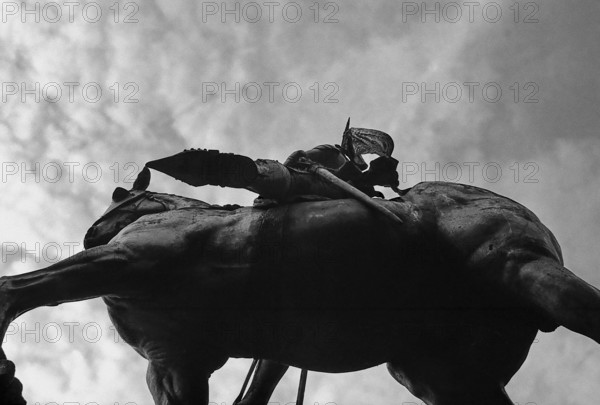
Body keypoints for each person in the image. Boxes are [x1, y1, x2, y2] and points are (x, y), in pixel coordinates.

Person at [146, 119, 400, 204]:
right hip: (304, 180)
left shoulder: (363, 179)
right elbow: (300, 155)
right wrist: (303, 165)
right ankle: (211, 168)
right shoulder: (331, 151)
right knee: (273, 176)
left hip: (333, 197)